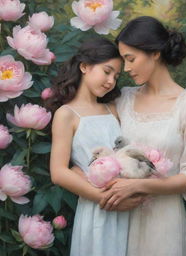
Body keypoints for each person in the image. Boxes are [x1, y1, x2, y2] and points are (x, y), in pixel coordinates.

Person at [99, 16, 186, 256]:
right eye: (123, 60)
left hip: (163, 222)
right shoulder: (123, 98)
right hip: (118, 218)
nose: (126, 68)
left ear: (155, 53)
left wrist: (138, 186)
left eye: (131, 59)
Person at [47, 37, 142, 256]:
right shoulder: (67, 114)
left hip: (126, 205)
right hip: (97, 206)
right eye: (107, 71)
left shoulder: (113, 109)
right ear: (84, 67)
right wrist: (103, 198)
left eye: (116, 76)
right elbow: (59, 172)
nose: (111, 81)